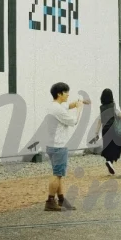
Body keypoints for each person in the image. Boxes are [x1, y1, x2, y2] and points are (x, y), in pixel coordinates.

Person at [43, 82, 84, 211]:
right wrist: (80, 108)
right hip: (59, 146)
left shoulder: (54, 106)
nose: (68, 95)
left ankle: (61, 199)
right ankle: (50, 201)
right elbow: (74, 121)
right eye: (66, 92)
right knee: (57, 174)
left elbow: (68, 105)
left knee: (58, 173)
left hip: (52, 145)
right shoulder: (58, 109)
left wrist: (79, 102)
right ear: (59, 94)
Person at [91, 88, 121, 175]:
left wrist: (96, 133)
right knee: (117, 145)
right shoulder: (114, 105)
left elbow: (99, 121)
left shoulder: (102, 107)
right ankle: (111, 161)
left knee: (108, 146)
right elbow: (120, 115)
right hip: (114, 128)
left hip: (105, 129)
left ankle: (109, 161)